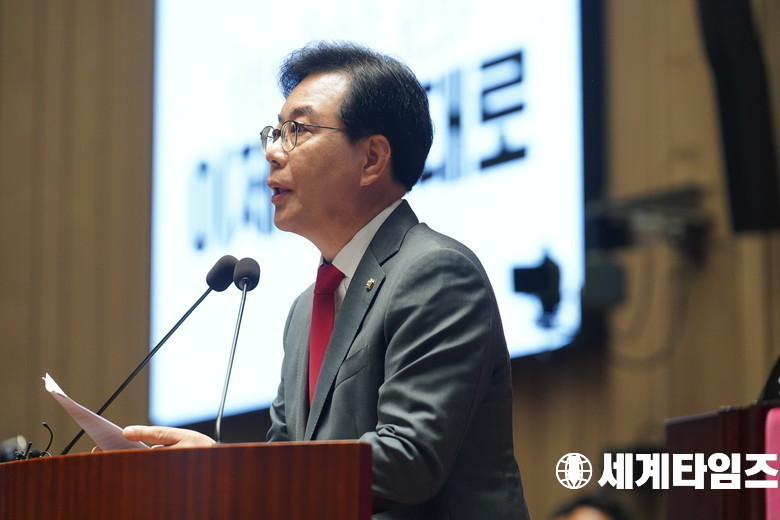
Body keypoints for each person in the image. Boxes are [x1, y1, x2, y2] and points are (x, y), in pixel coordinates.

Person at [123, 41, 530, 519]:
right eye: (275, 131)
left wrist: (226, 470)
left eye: (297, 130)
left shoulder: (436, 273)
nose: (272, 151)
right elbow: (285, 474)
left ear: (372, 159)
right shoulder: (305, 310)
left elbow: (408, 461)